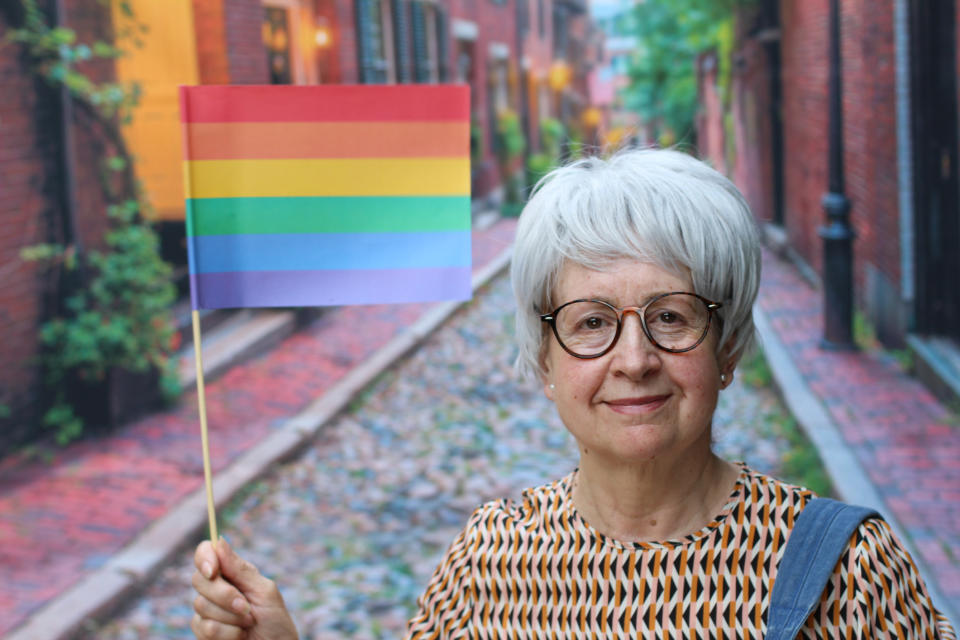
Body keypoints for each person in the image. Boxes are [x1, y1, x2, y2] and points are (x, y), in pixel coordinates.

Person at [191, 149, 955, 639]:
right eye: (590, 323)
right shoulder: (490, 561)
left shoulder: (848, 569)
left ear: (727, 349)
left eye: (672, 317)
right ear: (546, 360)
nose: (635, 359)